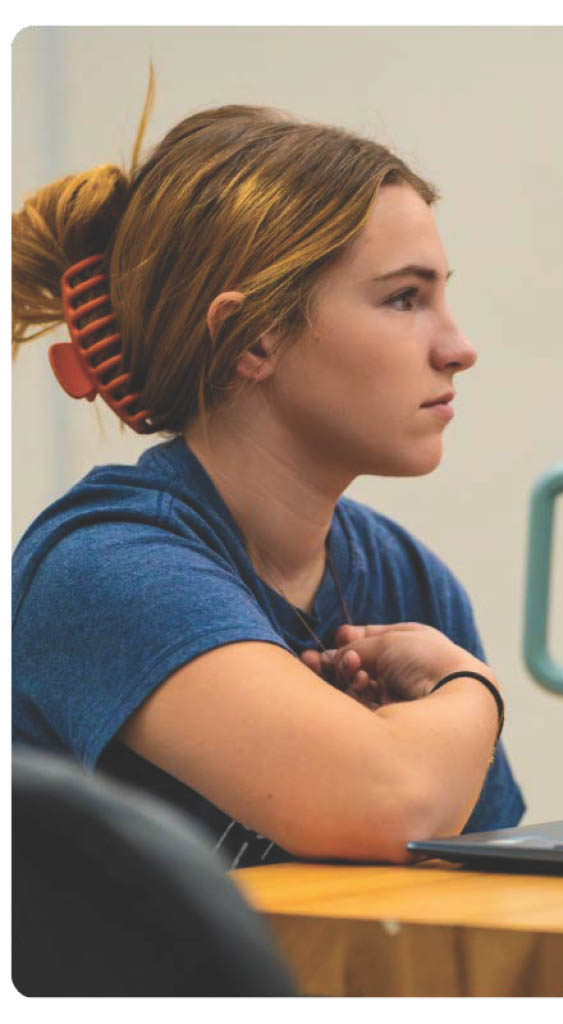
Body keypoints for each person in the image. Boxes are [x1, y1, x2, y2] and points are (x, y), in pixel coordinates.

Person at [11, 77, 525, 869]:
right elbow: (396, 805)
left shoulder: (409, 579)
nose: (458, 347)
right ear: (253, 339)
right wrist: (472, 690)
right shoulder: (105, 571)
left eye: (441, 297)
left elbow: (482, 885)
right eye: (402, 300)